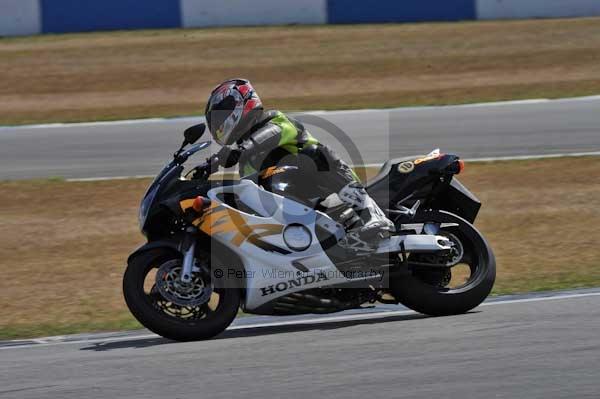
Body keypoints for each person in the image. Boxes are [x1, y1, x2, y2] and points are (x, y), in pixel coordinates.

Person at [204, 78, 394, 248]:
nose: (219, 124)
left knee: (313, 154)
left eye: (221, 117)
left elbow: (269, 135)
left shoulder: (277, 121)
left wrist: (239, 150)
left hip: (327, 185)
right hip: (300, 208)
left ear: (240, 103)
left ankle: (371, 214)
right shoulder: (245, 163)